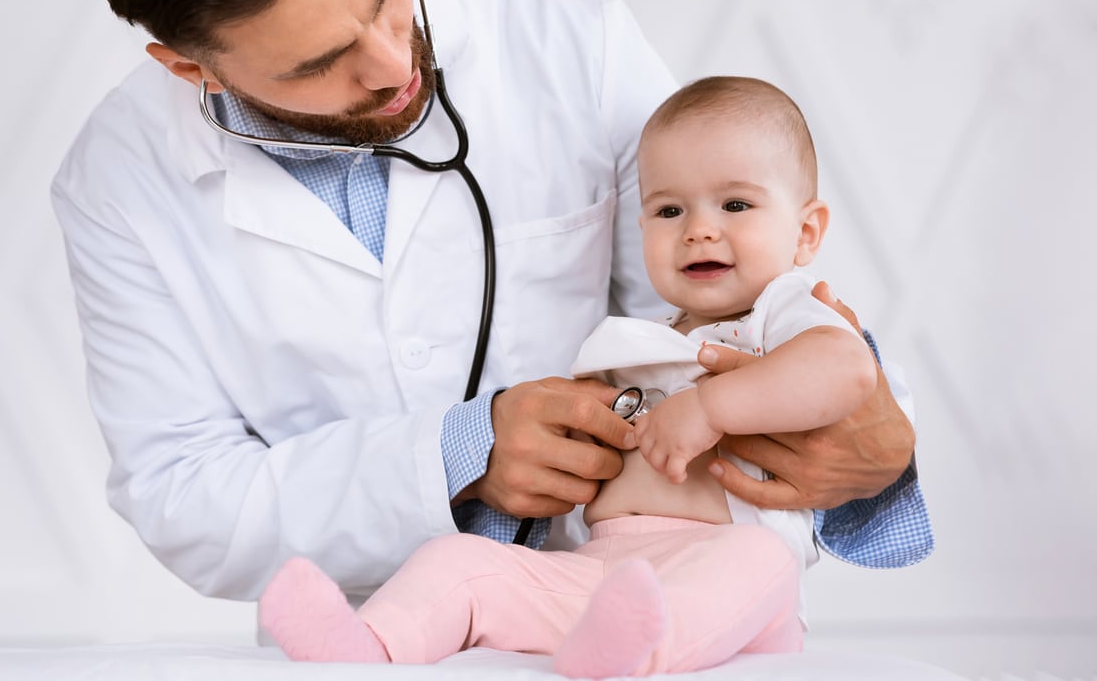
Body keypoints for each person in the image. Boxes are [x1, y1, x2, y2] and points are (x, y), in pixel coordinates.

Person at [55, 0, 930, 606]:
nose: (395, 62)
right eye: (322, 63)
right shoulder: (120, 182)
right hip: (374, 629)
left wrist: (877, 442)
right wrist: (454, 457)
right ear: (188, 67)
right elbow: (183, 495)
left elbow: (733, 301)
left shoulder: (568, 42)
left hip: (649, 584)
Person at [256, 76, 912, 676]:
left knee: (758, 562)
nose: (699, 231)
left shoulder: (782, 312)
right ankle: (365, 647)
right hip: (602, 568)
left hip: (726, 568)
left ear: (806, 233)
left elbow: (845, 369)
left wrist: (711, 409)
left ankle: (639, 649)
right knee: (461, 563)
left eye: (736, 205)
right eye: (669, 211)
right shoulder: (638, 338)